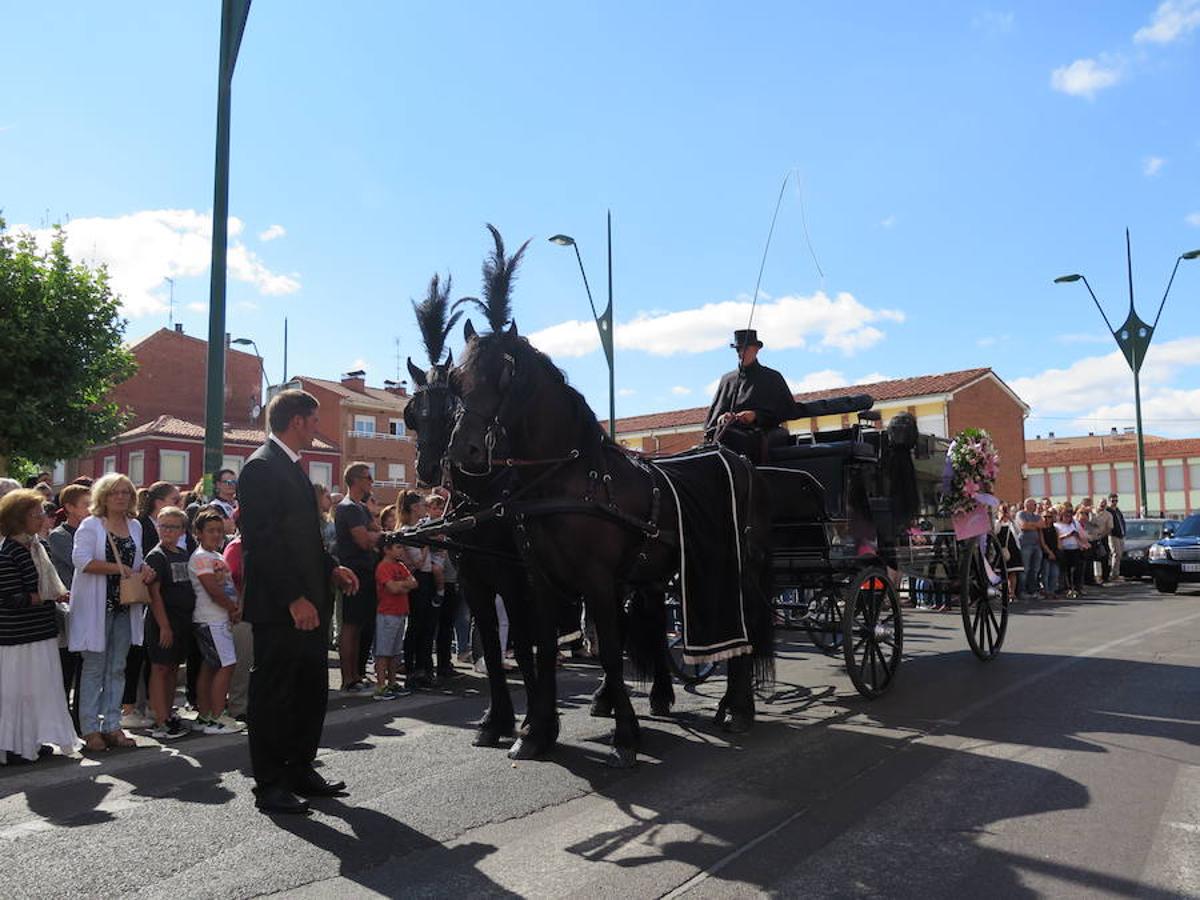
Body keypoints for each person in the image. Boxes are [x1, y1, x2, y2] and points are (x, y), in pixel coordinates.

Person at [239, 389, 359, 815]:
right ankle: (270, 784)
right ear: (295, 421)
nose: (317, 428)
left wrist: (330, 568)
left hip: (312, 600)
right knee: (274, 695)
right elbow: (263, 543)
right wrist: (294, 598)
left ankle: (300, 768)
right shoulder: (261, 469)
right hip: (281, 607)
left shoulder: (291, 468)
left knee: (310, 691)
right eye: (313, 420)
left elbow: (303, 539)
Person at [70, 473, 152, 752]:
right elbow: (80, 561)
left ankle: (112, 725)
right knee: (94, 667)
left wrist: (144, 570)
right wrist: (117, 568)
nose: (121, 497)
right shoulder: (91, 525)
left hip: (124, 607)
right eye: (115, 492)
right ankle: (90, 728)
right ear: (103, 497)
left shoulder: (135, 526)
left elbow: (136, 562)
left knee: (118, 668)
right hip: (97, 607)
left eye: (126, 492)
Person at [0, 489, 81, 764]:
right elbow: (13, 598)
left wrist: (52, 595)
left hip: (41, 632)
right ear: (18, 519)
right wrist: (50, 595)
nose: (43, 518)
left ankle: (33, 739)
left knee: (40, 690)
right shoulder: (7, 551)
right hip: (18, 637)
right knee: (17, 693)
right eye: (36, 514)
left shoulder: (38, 546)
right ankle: (13, 745)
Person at [188, 508, 243, 735]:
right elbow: (212, 589)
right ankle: (218, 716)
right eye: (210, 530)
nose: (216, 535)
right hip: (211, 619)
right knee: (226, 664)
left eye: (220, 530)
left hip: (219, 618)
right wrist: (232, 609)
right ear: (198, 533)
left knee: (211, 667)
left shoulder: (217, 556)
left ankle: (206, 714)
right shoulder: (201, 557)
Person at [704, 329, 796, 463]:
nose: (741, 353)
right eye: (738, 349)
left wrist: (755, 416)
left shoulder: (772, 377)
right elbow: (713, 418)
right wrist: (722, 418)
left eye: (746, 348)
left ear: (756, 349)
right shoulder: (727, 380)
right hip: (725, 434)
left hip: (758, 433)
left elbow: (786, 410)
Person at [142, 506, 194, 740]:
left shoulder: (182, 554)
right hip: (163, 621)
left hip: (182, 621)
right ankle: (160, 718)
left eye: (173, 527)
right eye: (164, 526)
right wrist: (164, 625)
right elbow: (155, 594)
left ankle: (169, 711)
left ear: (183, 530)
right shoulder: (157, 555)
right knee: (160, 667)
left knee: (173, 667)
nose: (168, 531)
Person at [335, 463, 381, 694]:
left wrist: (375, 535)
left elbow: (377, 532)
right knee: (351, 626)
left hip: (366, 571)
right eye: (368, 477)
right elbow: (365, 540)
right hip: (354, 571)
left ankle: (357, 674)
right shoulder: (348, 508)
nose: (371, 481)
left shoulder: (360, 508)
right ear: (355, 480)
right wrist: (375, 536)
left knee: (360, 625)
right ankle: (348, 679)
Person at [48, 483, 89, 726]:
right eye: (86, 504)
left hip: (89, 607)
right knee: (67, 668)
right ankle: (63, 720)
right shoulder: (59, 536)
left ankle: (81, 719)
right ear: (70, 508)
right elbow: (82, 565)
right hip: (69, 609)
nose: (91, 509)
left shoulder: (95, 531)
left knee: (86, 666)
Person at [396, 490, 435, 688]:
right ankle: (412, 667)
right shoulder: (407, 531)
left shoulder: (419, 528)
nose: (424, 508)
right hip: (418, 578)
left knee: (427, 624)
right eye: (421, 504)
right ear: (413, 507)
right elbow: (418, 562)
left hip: (426, 578)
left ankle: (425, 666)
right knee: (417, 625)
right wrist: (427, 543)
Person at [373, 534, 417, 700]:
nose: (401, 550)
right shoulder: (383, 567)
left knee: (395, 652)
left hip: (400, 613)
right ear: (386, 550)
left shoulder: (401, 566)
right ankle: (381, 686)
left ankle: (392, 683)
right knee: (383, 652)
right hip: (387, 613)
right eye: (398, 547)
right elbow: (392, 588)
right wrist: (403, 586)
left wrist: (402, 586)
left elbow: (414, 582)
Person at [221, 516, 254, 722]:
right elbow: (230, 581)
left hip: (258, 612)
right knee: (243, 662)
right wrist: (236, 607)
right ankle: (238, 706)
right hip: (241, 614)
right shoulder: (236, 548)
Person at [1014, 499, 1044, 600]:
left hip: (1036, 545)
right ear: (1027, 505)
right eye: (1034, 504)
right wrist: (1034, 525)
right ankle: (1022, 591)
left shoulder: (1037, 516)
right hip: (1025, 544)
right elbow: (1023, 526)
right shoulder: (1020, 514)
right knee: (1025, 569)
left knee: (1035, 569)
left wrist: (1030, 524)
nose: (1035, 506)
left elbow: (1042, 525)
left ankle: (1033, 590)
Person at [1108, 493, 1126, 580]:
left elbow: (1121, 522)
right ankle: (1113, 574)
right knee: (1116, 554)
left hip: (1121, 535)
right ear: (1109, 501)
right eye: (1112, 501)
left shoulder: (1118, 511)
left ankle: (1117, 573)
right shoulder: (1108, 511)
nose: (1114, 502)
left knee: (1120, 554)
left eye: (1116, 500)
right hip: (1113, 535)